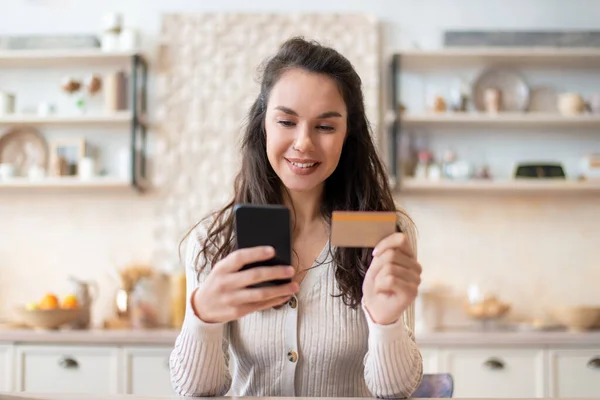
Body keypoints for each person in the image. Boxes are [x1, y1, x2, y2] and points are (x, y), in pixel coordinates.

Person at [170, 37, 423, 398]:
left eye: (325, 127)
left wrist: (386, 323)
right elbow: (195, 390)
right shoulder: (214, 239)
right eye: (287, 121)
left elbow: (395, 391)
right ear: (263, 125)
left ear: (348, 135)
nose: (303, 143)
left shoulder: (381, 234)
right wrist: (203, 316)